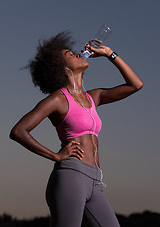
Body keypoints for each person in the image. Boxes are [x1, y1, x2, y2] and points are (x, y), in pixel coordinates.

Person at [10, 31, 143, 227]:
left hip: (95, 180)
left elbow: (135, 85)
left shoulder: (93, 97)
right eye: (70, 55)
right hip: (71, 177)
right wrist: (56, 156)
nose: (78, 53)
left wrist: (110, 54)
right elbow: (18, 131)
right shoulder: (58, 99)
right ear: (62, 68)